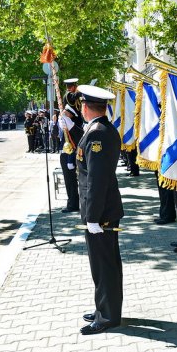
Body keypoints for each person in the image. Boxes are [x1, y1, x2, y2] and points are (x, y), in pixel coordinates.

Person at [76, 85, 125, 335]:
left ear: (85, 107)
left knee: (104, 266)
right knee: (105, 264)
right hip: (102, 210)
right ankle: (104, 308)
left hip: (101, 213)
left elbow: (97, 179)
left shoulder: (98, 135)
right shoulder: (99, 129)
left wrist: (92, 217)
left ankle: (108, 316)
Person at [59, 104, 84, 213]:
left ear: (70, 115)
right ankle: (71, 202)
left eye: (65, 113)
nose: (63, 114)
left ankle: (73, 204)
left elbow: (76, 142)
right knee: (68, 181)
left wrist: (70, 158)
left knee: (71, 181)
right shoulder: (65, 124)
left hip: (71, 156)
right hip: (64, 154)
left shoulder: (74, 126)